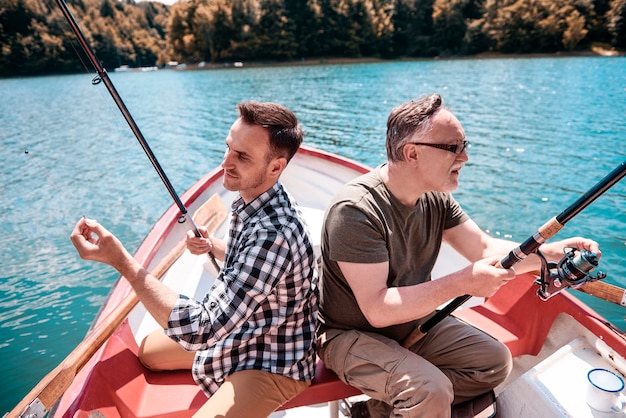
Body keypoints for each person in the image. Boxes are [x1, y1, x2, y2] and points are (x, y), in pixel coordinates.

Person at [316, 93, 601, 418]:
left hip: (409, 320)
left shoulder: (434, 197)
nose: (465, 157)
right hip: (349, 334)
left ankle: (372, 412)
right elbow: (378, 310)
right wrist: (462, 282)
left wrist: (552, 254)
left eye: (465, 145)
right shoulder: (356, 210)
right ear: (412, 153)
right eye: (453, 148)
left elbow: (483, 249)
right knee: (429, 390)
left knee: (492, 363)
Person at [70, 101, 318, 418]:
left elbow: (201, 329)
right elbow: (255, 265)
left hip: (274, 360)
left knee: (180, 337)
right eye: (229, 147)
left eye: (242, 156)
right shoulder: (257, 200)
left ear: (275, 167)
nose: (225, 162)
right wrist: (213, 245)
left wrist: (123, 263)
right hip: (244, 332)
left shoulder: (274, 234)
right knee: (147, 353)